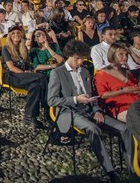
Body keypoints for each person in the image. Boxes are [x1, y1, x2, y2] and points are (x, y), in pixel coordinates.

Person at [48, 39, 133, 181]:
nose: (81, 62)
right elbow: (51, 100)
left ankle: (133, 169)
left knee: (125, 129)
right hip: (69, 111)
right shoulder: (58, 73)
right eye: (78, 59)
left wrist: (97, 110)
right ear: (71, 55)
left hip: (90, 109)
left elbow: (94, 95)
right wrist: (76, 99)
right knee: (93, 128)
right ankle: (109, 172)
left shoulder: (85, 71)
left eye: (83, 59)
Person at [2, 26, 48, 129]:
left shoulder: (23, 48)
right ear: (10, 36)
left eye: (18, 33)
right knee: (41, 77)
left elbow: (27, 65)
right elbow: (11, 67)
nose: (16, 35)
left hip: (22, 76)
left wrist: (28, 71)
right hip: (12, 76)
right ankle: (46, 105)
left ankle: (29, 116)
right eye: (13, 33)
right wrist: (24, 73)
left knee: (35, 86)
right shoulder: (6, 48)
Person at [94, 42, 140, 122]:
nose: (125, 57)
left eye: (126, 55)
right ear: (112, 55)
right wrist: (122, 91)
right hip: (121, 108)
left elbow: (134, 88)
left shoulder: (127, 72)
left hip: (136, 104)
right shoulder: (102, 74)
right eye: (121, 54)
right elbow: (102, 95)